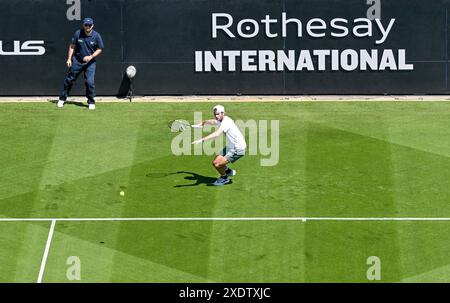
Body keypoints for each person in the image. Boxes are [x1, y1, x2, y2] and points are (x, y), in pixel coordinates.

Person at [192, 105, 247, 186]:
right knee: (215, 163)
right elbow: (213, 122)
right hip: (231, 146)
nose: (216, 116)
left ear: (223, 113)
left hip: (237, 148)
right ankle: (228, 171)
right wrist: (203, 122)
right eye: (215, 114)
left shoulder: (226, 122)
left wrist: (201, 140)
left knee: (218, 164)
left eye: (218, 114)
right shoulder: (221, 119)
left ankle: (224, 179)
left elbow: (217, 134)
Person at [57, 17, 104, 110]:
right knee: (69, 80)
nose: (87, 27)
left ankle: (91, 101)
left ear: (92, 26)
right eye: (86, 25)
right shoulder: (78, 33)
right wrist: (69, 59)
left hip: (90, 63)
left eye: (89, 25)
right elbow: (72, 46)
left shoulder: (96, 36)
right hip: (77, 61)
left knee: (90, 82)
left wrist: (91, 57)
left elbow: (100, 49)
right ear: (83, 25)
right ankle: (62, 99)